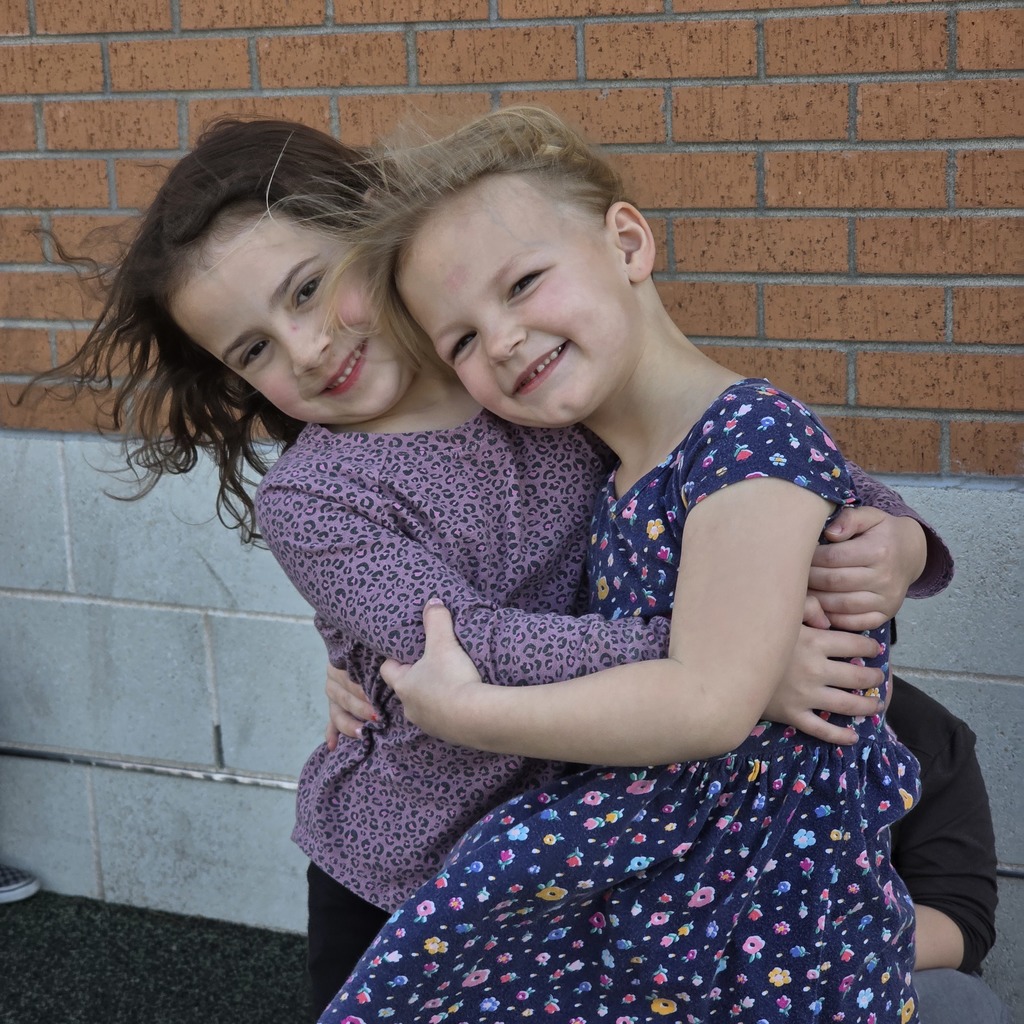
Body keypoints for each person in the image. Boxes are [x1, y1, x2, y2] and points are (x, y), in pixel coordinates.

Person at [33, 116, 949, 1019]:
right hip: (418, 862)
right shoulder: (314, 497)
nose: (306, 348)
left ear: (381, 240)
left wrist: (898, 536)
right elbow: (469, 643)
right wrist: (728, 663)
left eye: (310, 289)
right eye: (255, 349)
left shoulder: (524, 378)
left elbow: (732, 451)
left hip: (594, 837)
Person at [316, 107, 929, 1022]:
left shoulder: (748, 431)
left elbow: (709, 702)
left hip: (764, 911)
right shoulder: (615, 471)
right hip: (671, 890)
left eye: (523, 283)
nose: (505, 339)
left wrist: (473, 715)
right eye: (462, 342)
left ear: (629, 242)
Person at [886, 677, 1010, 1024]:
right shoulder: (724, 720)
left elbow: (961, 917)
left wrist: (824, 951)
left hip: (854, 960)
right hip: (727, 962)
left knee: (962, 1003)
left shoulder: (922, 732)